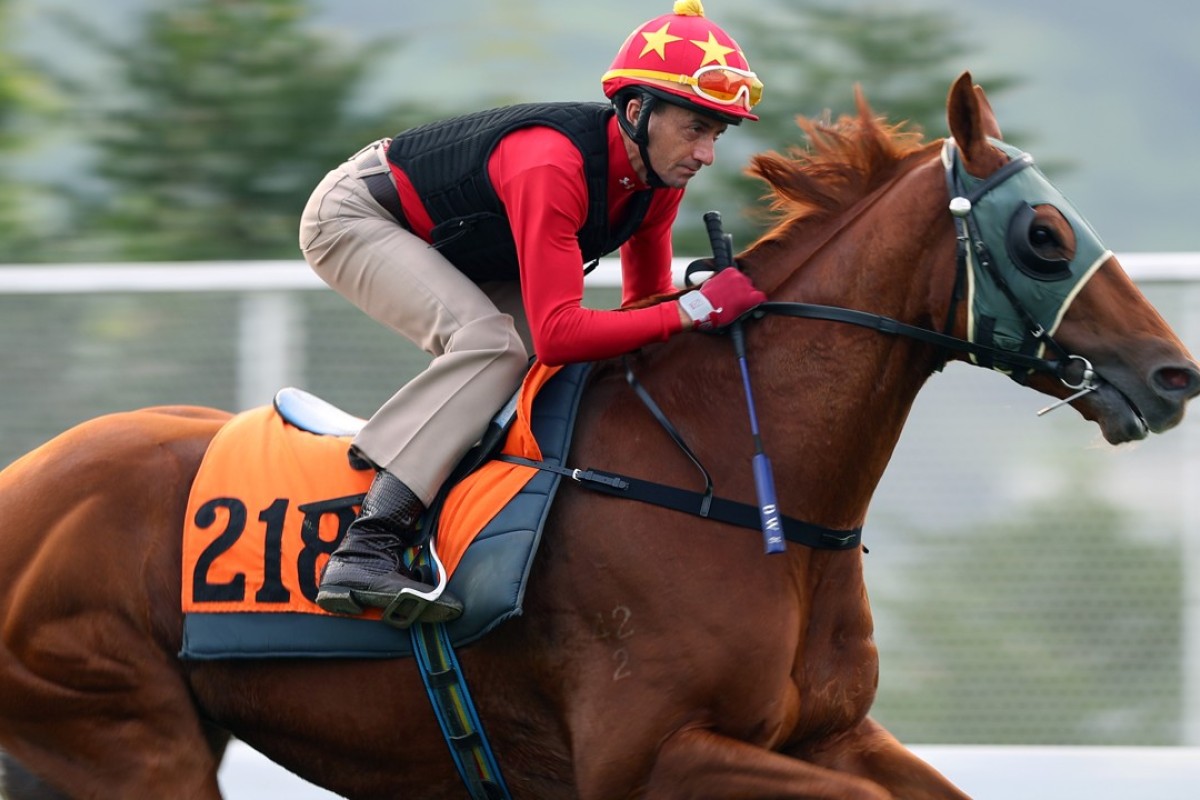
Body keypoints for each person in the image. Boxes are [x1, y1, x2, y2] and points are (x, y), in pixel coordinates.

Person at [298, 0, 767, 625]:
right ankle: (368, 544)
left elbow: (645, 315)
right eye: (695, 128)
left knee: (536, 361)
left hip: (459, 240)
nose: (707, 154)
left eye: (716, 134)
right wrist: (697, 308)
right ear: (636, 112)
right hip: (358, 215)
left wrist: (700, 318)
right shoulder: (552, 163)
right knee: (497, 346)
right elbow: (560, 334)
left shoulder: (658, 183)